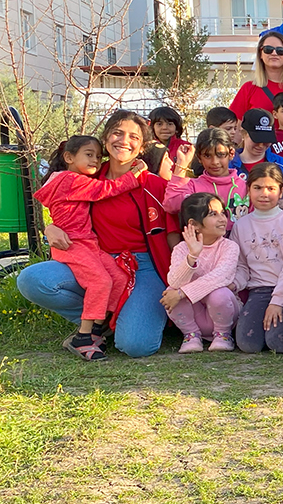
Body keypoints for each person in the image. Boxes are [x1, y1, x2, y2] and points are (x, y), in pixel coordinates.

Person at [20, 110, 182, 358]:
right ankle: (96, 325)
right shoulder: (85, 177)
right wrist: (50, 227)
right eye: (117, 133)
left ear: (141, 147)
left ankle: (122, 320)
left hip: (144, 267)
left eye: (133, 137)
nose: (124, 141)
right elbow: (62, 208)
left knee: (136, 346)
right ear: (106, 139)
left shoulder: (154, 185)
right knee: (32, 280)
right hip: (97, 258)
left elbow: (176, 231)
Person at [33, 137, 145, 361]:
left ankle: (97, 329)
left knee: (119, 278)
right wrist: (135, 174)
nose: (95, 160)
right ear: (69, 157)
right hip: (72, 244)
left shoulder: (73, 178)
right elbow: (107, 189)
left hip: (89, 243)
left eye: (97, 156)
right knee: (100, 282)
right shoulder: (69, 179)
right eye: (88, 154)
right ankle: (83, 337)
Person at [230, 163, 283, 354]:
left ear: (281, 191)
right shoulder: (241, 226)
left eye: (271, 188)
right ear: (248, 190)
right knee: (248, 344)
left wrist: (278, 301)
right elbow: (242, 266)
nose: (264, 194)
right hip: (259, 291)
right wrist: (233, 285)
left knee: (279, 342)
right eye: (258, 188)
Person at [163, 193, 241, 353]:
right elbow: (174, 282)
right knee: (170, 293)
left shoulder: (229, 247)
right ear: (194, 224)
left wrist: (182, 293)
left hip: (224, 313)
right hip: (195, 316)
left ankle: (223, 335)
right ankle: (191, 336)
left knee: (219, 293)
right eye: (213, 214)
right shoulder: (181, 249)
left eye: (223, 213)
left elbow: (221, 277)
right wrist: (192, 256)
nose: (222, 219)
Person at [166, 129, 250, 224]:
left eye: (221, 155)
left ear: (231, 154)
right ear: (199, 157)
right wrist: (182, 163)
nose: (215, 162)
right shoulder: (193, 186)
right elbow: (171, 205)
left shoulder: (246, 187)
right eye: (207, 156)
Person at [231, 110, 283, 215]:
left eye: (266, 140)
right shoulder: (227, 165)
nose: (261, 145)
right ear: (243, 134)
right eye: (257, 140)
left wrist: (275, 202)